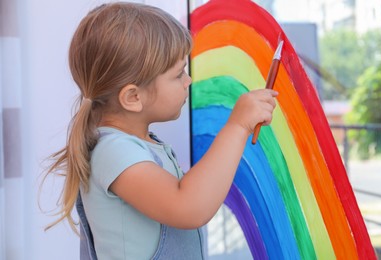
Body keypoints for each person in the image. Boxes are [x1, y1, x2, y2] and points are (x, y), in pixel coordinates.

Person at [44, 2, 278, 259]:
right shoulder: (114, 152)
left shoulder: (136, 145)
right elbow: (188, 206)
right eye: (179, 74)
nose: (188, 81)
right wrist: (237, 126)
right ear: (133, 97)